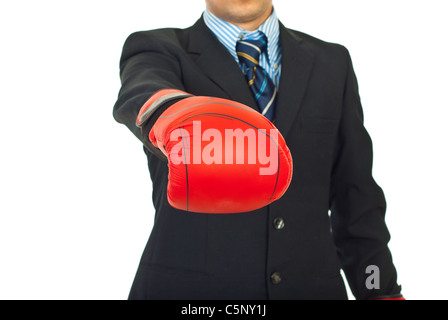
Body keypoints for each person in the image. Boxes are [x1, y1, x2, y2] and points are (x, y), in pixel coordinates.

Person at [113, 0, 403, 300]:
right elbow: (142, 91)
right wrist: (176, 119)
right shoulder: (158, 49)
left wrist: (380, 292)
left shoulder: (333, 62)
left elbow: (356, 201)